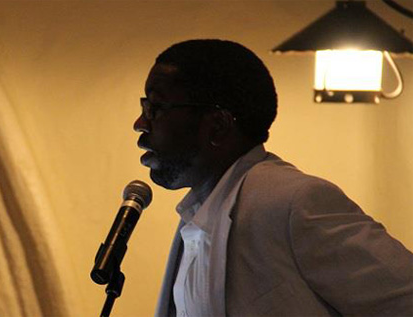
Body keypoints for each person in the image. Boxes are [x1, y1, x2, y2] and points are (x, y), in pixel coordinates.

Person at [134, 39, 413, 316]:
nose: (140, 123)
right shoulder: (197, 216)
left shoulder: (293, 202)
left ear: (217, 126)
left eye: (155, 108)